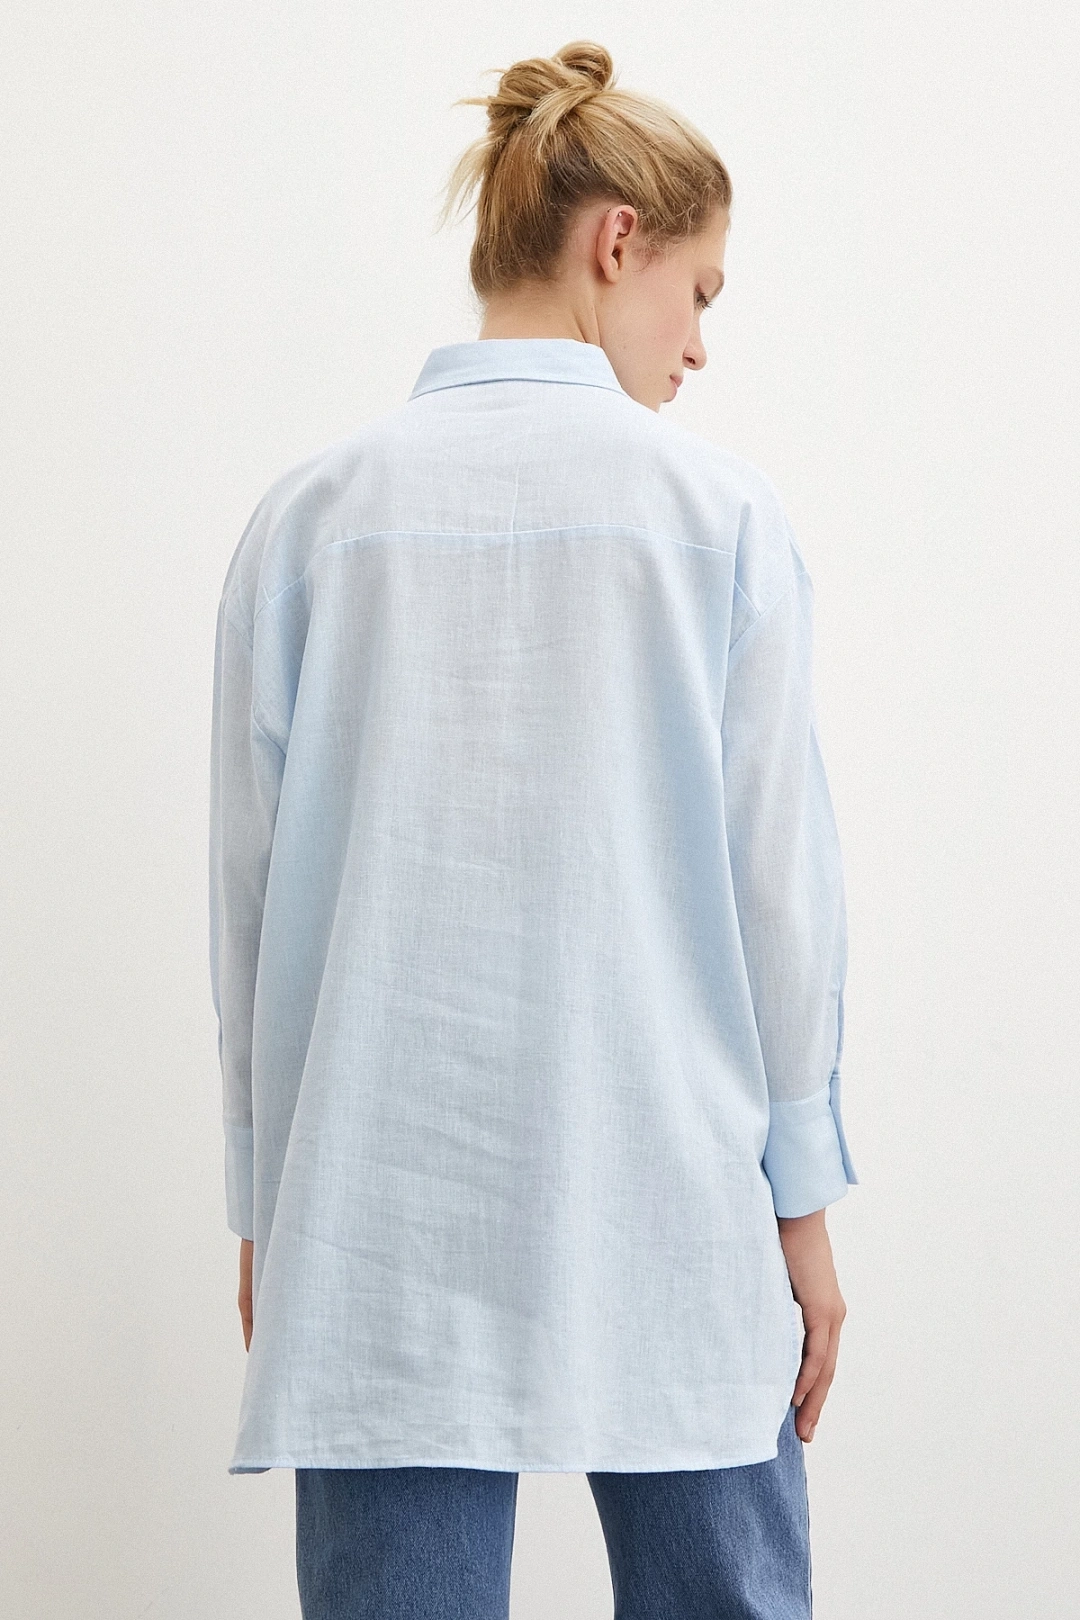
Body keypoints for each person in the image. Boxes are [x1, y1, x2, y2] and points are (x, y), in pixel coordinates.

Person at [209, 38, 859, 1620]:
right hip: (676, 1191)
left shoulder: (309, 521)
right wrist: (805, 1211)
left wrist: (267, 1201)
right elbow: (782, 895)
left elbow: (249, 910)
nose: (699, 345)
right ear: (616, 242)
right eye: (699, 292)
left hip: (378, 1210)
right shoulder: (719, 520)